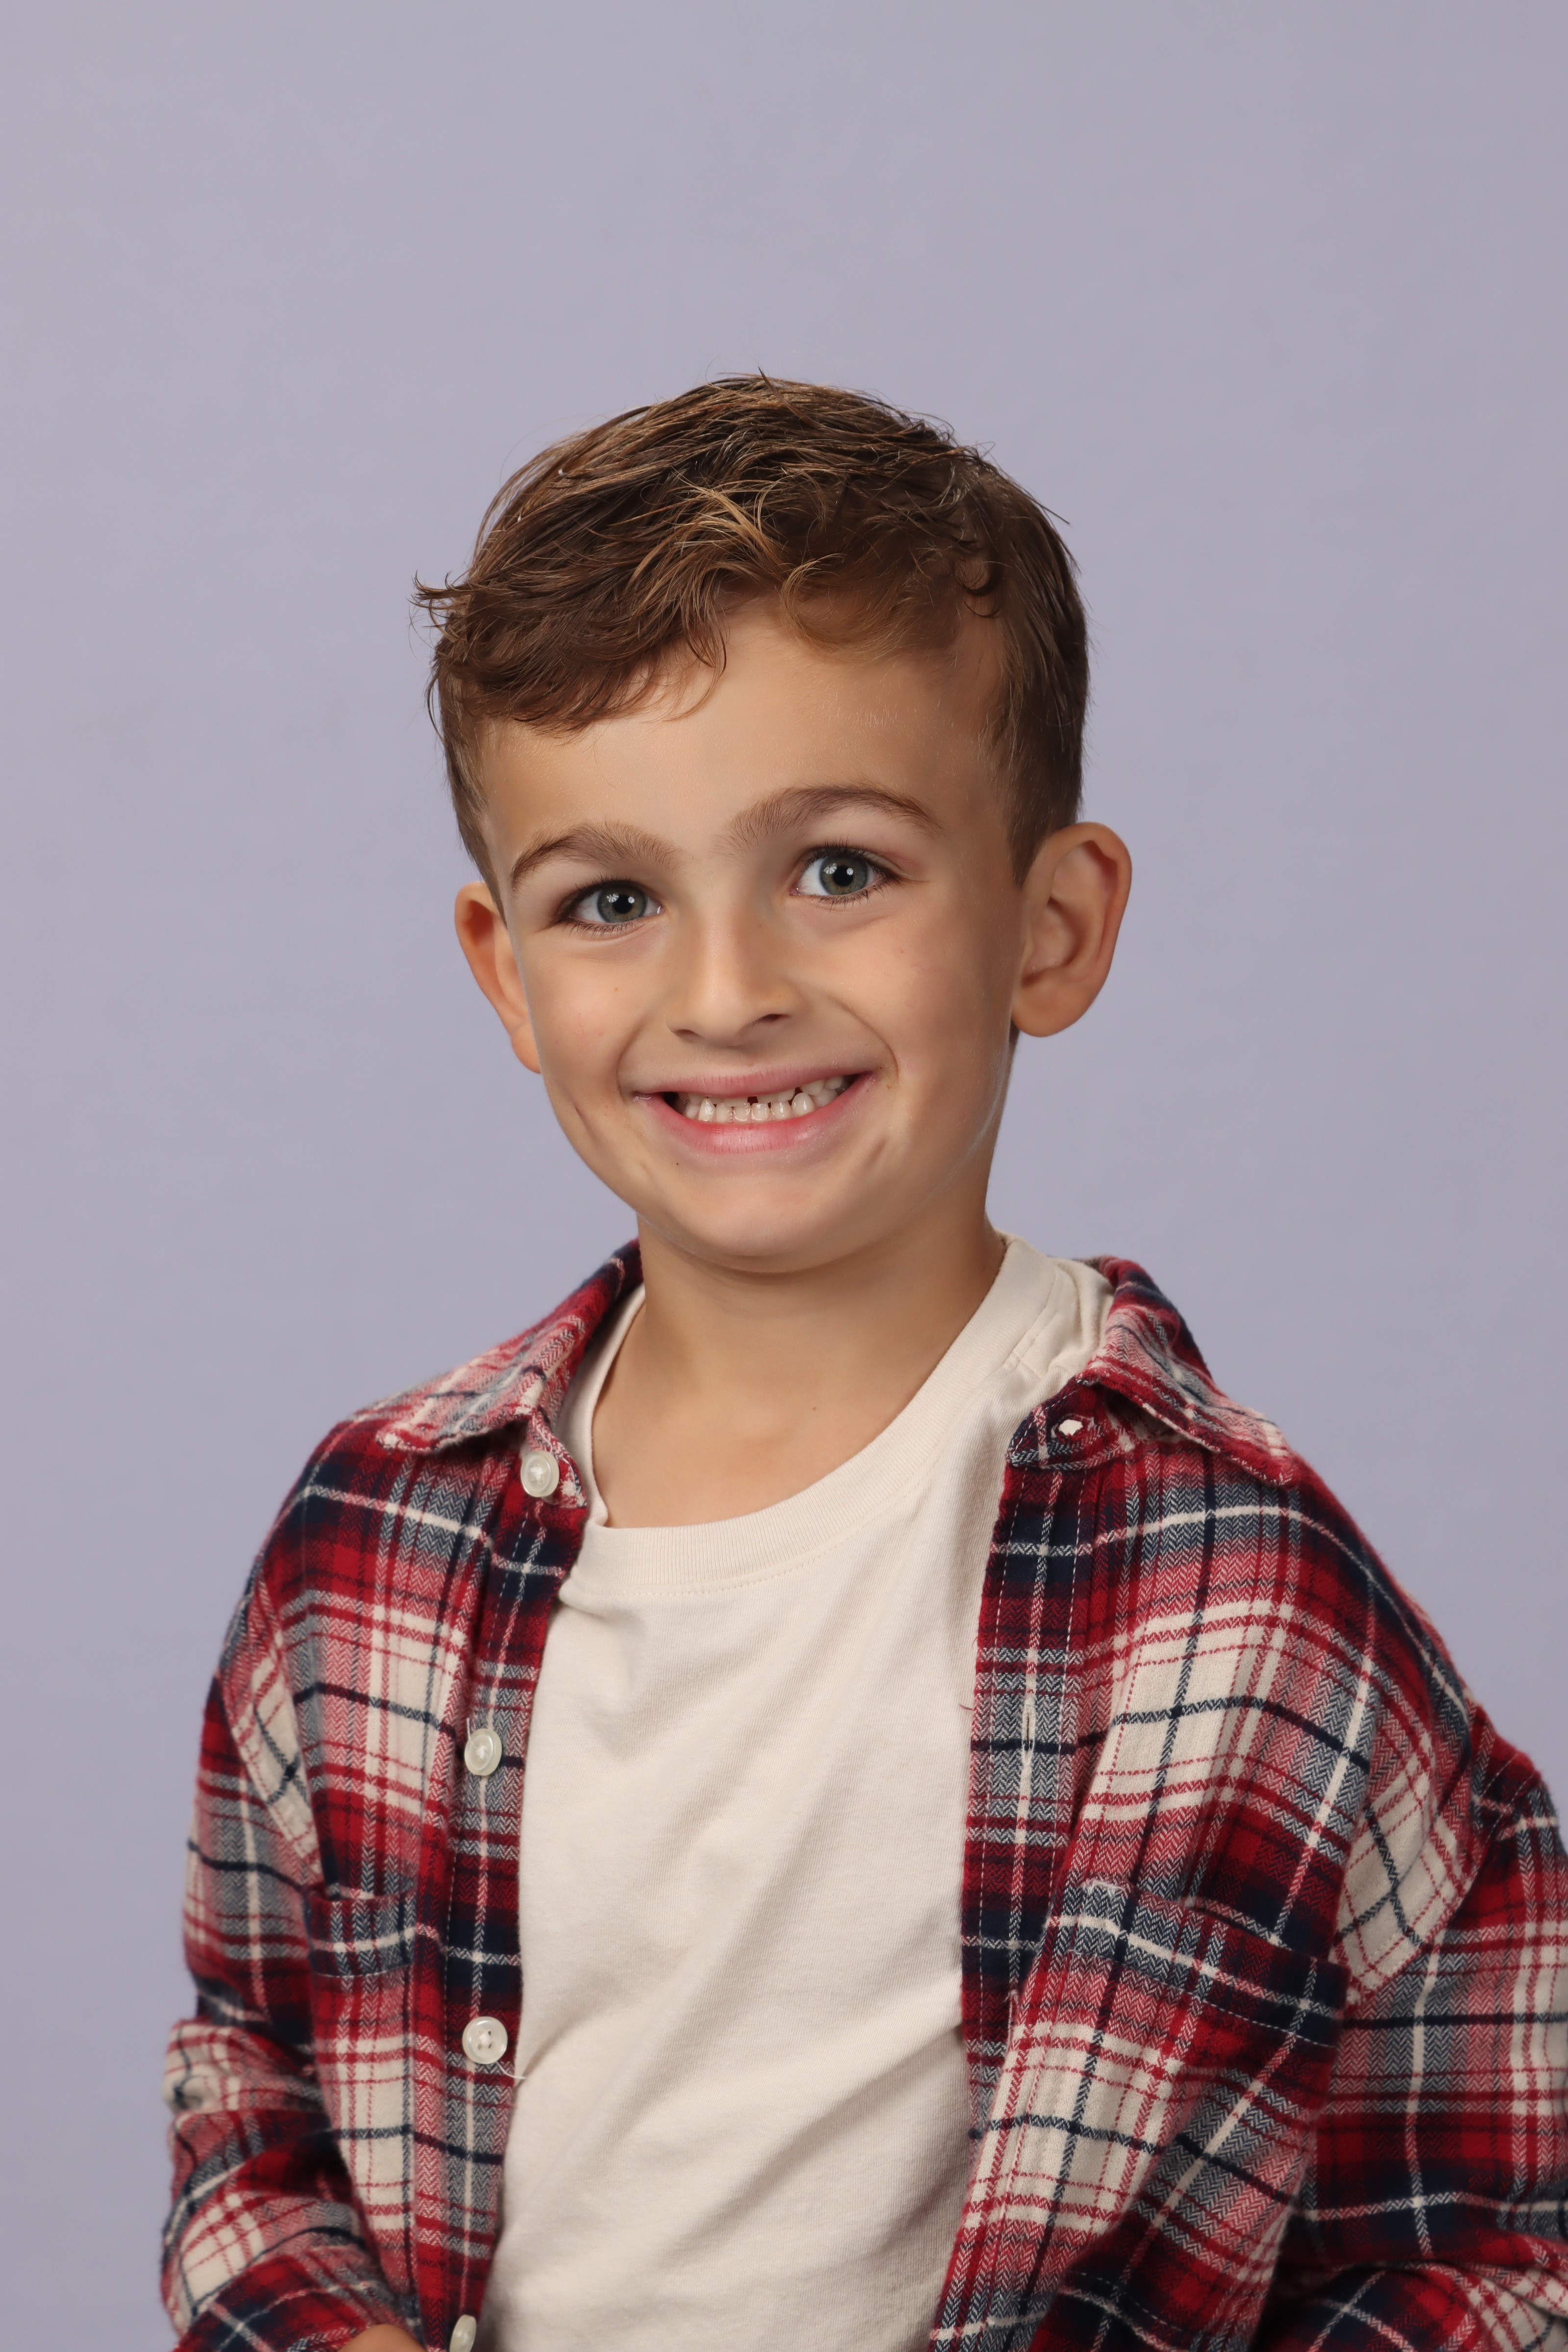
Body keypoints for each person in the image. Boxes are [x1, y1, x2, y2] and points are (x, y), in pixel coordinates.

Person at [162, 378, 1568, 2352]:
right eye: (612, 900)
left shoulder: (1235, 1585)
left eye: (837, 868)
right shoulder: (369, 1543)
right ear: (506, 972)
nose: (726, 991)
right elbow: (251, 2083)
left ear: (1049, 926)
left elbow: (1498, 2230)